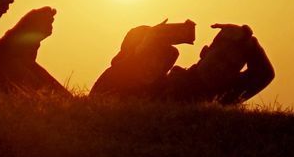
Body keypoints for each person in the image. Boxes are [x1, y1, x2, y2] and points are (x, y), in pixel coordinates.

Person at [90, 19, 274, 105]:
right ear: (204, 52)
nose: (221, 68)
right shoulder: (162, 85)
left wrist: (251, 44)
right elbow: (109, 87)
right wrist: (151, 39)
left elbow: (264, 75)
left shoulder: (220, 97)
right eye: (220, 58)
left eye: (231, 67)